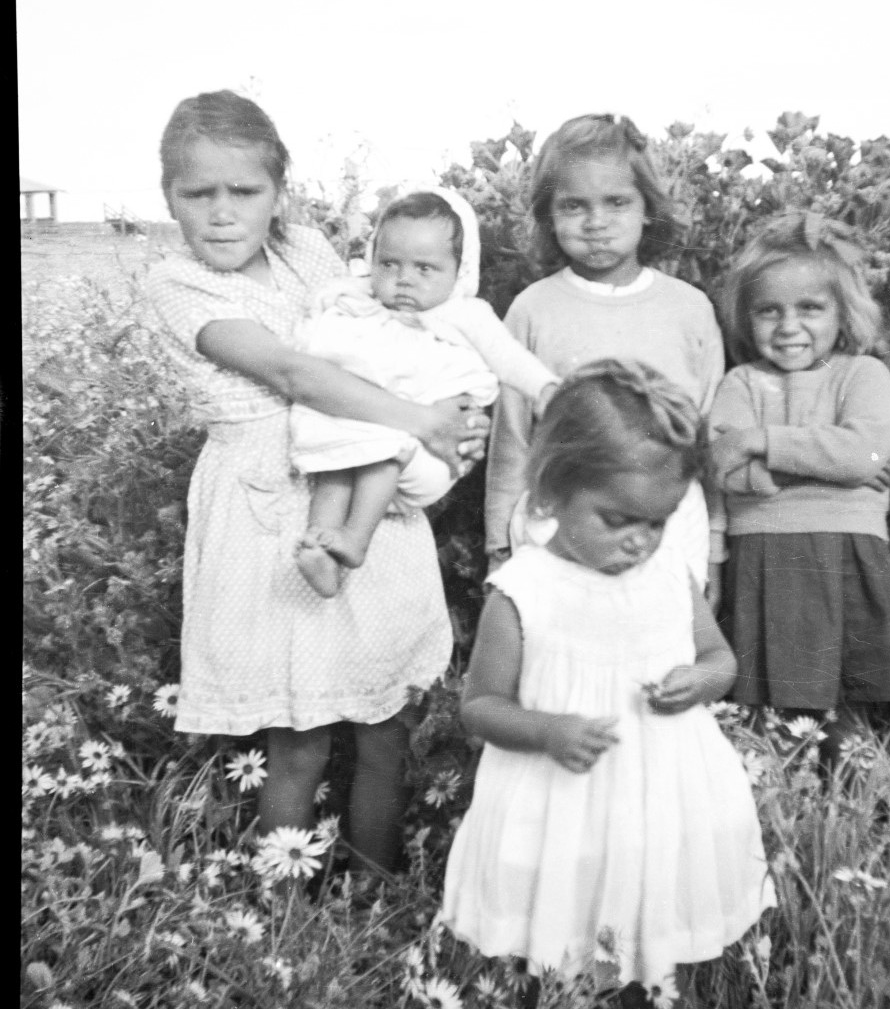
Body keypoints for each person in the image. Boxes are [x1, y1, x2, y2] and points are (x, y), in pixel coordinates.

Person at [143, 91, 488, 875]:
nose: (223, 213)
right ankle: (281, 914)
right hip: (267, 510)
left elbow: (390, 331)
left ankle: (374, 892)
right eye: (199, 193)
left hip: (364, 480)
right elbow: (294, 373)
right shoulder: (176, 282)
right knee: (296, 735)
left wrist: (453, 414)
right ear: (169, 197)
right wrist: (420, 418)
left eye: (245, 191)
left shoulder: (304, 248)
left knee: (384, 724)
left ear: (279, 193)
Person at [444, 360, 775, 1000]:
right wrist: (547, 730)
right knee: (569, 917)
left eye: (656, 522)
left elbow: (721, 658)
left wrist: (700, 680)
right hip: (563, 801)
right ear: (550, 494)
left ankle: (650, 983)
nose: (638, 542)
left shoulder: (669, 575)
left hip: (663, 792)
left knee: (652, 906)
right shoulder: (523, 592)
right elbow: (480, 705)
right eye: (616, 519)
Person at [708, 210, 890, 772]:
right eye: (769, 310)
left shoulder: (863, 375)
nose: (789, 326)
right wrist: (827, 466)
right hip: (764, 554)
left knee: (848, 714)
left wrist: (762, 442)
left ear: (843, 312)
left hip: (844, 553)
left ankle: (857, 807)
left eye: (810, 308)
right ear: (746, 317)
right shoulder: (740, 383)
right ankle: (777, 806)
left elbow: (865, 455)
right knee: (766, 709)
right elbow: (725, 470)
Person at [483, 113, 725, 585]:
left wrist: (715, 541)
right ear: (549, 215)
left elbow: (709, 433)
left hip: (669, 520)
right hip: (561, 518)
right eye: (574, 206)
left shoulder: (689, 309)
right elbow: (512, 437)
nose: (596, 222)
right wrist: (498, 545)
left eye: (616, 202)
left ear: (647, 207)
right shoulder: (533, 309)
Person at [289, 189, 558, 597]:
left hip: (416, 445)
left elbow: (507, 357)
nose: (404, 278)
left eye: (425, 268)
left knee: (381, 450)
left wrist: (546, 389)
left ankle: (355, 540)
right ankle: (320, 548)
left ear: (458, 272)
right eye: (389, 264)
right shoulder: (359, 300)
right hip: (367, 422)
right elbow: (316, 322)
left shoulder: (463, 313)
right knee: (334, 463)